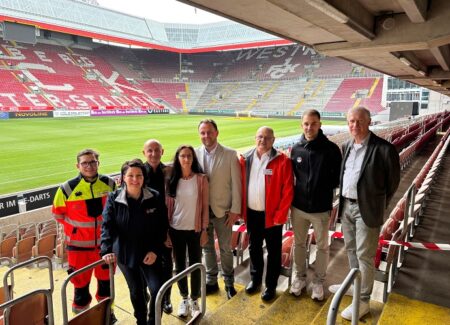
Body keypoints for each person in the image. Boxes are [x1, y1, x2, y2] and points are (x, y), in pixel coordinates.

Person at [338, 106, 400, 320]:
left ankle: (363, 301)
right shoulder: (346, 145)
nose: (354, 125)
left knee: (364, 255)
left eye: (359, 121)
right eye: (351, 121)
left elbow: (393, 183)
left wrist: (378, 204)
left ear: (369, 122)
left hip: (367, 209)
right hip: (346, 206)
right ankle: (355, 284)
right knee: (351, 250)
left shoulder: (384, 149)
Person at [52, 148, 117, 322]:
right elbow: (58, 214)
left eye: (93, 162)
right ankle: (82, 318)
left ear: (98, 163)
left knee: (106, 286)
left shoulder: (110, 184)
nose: (89, 166)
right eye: (85, 163)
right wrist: (76, 231)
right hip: (78, 249)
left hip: (105, 249)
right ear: (77, 166)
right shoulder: (66, 188)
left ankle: (106, 315)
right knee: (80, 288)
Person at [101, 159, 168, 325]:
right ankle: (141, 320)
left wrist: (154, 251)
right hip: (125, 252)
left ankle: (153, 320)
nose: (135, 179)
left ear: (144, 178)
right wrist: (106, 250)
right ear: (123, 177)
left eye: (139, 175)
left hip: (150, 253)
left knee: (157, 288)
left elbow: (162, 226)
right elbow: (107, 226)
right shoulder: (114, 198)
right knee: (137, 291)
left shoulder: (155, 196)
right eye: (130, 175)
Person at [289, 109, 342, 301]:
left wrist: (321, 189)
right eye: (306, 124)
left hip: (320, 208)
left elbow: (337, 179)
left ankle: (319, 282)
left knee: (322, 247)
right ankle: (300, 278)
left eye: (313, 123)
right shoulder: (296, 149)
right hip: (299, 207)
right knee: (299, 244)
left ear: (320, 124)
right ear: (301, 125)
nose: (309, 127)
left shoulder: (332, 150)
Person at [240, 126, 294, 301]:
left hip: (272, 216)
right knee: (254, 248)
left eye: (267, 137)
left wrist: (280, 215)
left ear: (273, 140)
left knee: (273, 252)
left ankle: (270, 286)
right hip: (252, 214)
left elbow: (288, 191)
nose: (263, 140)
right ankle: (255, 281)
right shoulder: (245, 159)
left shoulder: (283, 161)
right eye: (260, 137)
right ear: (255, 138)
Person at [196, 119, 241, 299]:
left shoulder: (230, 154)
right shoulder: (194, 153)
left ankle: (229, 283)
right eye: (203, 133)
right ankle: (212, 281)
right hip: (202, 212)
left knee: (225, 249)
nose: (206, 136)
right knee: (207, 249)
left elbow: (236, 185)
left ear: (217, 133)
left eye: (209, 132)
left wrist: (235, 209)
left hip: (223, 211)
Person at [166, 145, 209, 317]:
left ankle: (195, 298)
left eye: (189, 156)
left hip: (195, 230)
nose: (186, 159)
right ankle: (184, 298)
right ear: (177, 158)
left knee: (196, 264)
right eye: (182, 156)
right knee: (180, 265)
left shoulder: (201, 179)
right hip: (175, 229)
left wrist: (205, 229)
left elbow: (205, 206)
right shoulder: (170, 179)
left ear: (193, 158)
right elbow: (166, 207)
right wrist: (166, 232)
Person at [142, 139, 173, 314]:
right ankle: (149, 294)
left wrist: (168, 231)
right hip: (145, 230)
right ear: (144, 153)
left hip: (165, 228)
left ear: (162, 151)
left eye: (157, 150)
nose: (153, 154)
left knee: (167, 265)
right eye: (150, 151)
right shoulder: (139, 173)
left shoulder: (169, 172)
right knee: (145, 265)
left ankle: (166, 298)